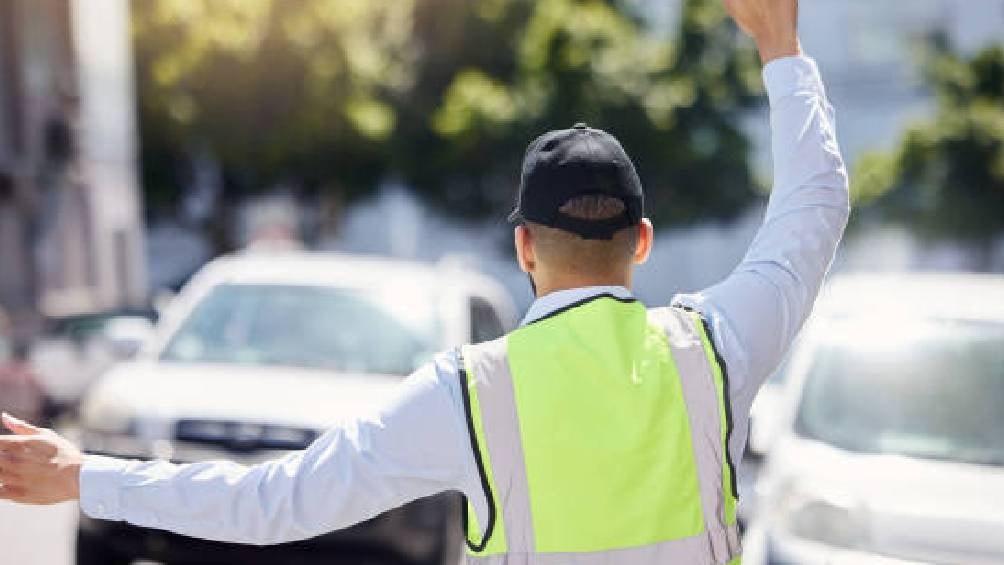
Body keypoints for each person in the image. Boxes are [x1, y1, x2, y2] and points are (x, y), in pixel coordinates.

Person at [0, 1, 848, 562]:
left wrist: (86, 474)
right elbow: (816, 207)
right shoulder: (714, 349)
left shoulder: (470, 392)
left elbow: (274, 499)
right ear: (644, 242)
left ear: (523, 247)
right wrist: (782, 47)